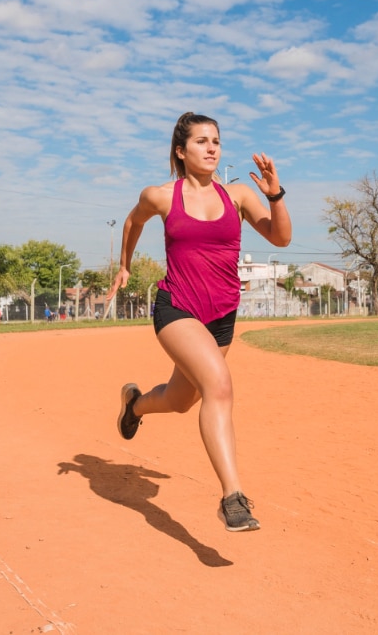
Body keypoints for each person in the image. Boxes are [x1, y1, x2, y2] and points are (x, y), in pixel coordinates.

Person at [105, 111, 291, 532]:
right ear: (180, 151)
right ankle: (233, 497)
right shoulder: (161, 196)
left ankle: (134, 404)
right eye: (202, 141)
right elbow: (134, 220)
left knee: (180, 399)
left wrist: (275, 194)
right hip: (177, 308)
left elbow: (281, 239)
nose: (211, 148)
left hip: (222, 315)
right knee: (219, 386)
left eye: (217, 142)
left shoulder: (238, 195)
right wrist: (125, 266)